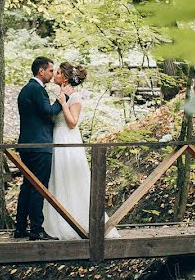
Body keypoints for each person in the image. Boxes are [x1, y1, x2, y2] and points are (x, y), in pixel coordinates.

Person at [43, 62, 120, 240]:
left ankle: (79, 223)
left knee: (71, 178)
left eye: (59, 72)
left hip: (68, 139)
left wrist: (63, 103)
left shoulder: (75, 97)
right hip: (56, 137)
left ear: (66, 78)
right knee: (56, 178)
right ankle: (55, 222)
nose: (55, 74)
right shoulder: (60, 93)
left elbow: (72, 122)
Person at [14, 57, 62, 240]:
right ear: (41, 71)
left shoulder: (26, 89)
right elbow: (48, 112)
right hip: (39, 145)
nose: (52, 73)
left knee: (27, 186)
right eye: (50, 70)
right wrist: (61, 100)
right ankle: (36, 229)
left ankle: (20, 227)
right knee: (39, 187)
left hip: (27, 145)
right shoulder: (36, 90)